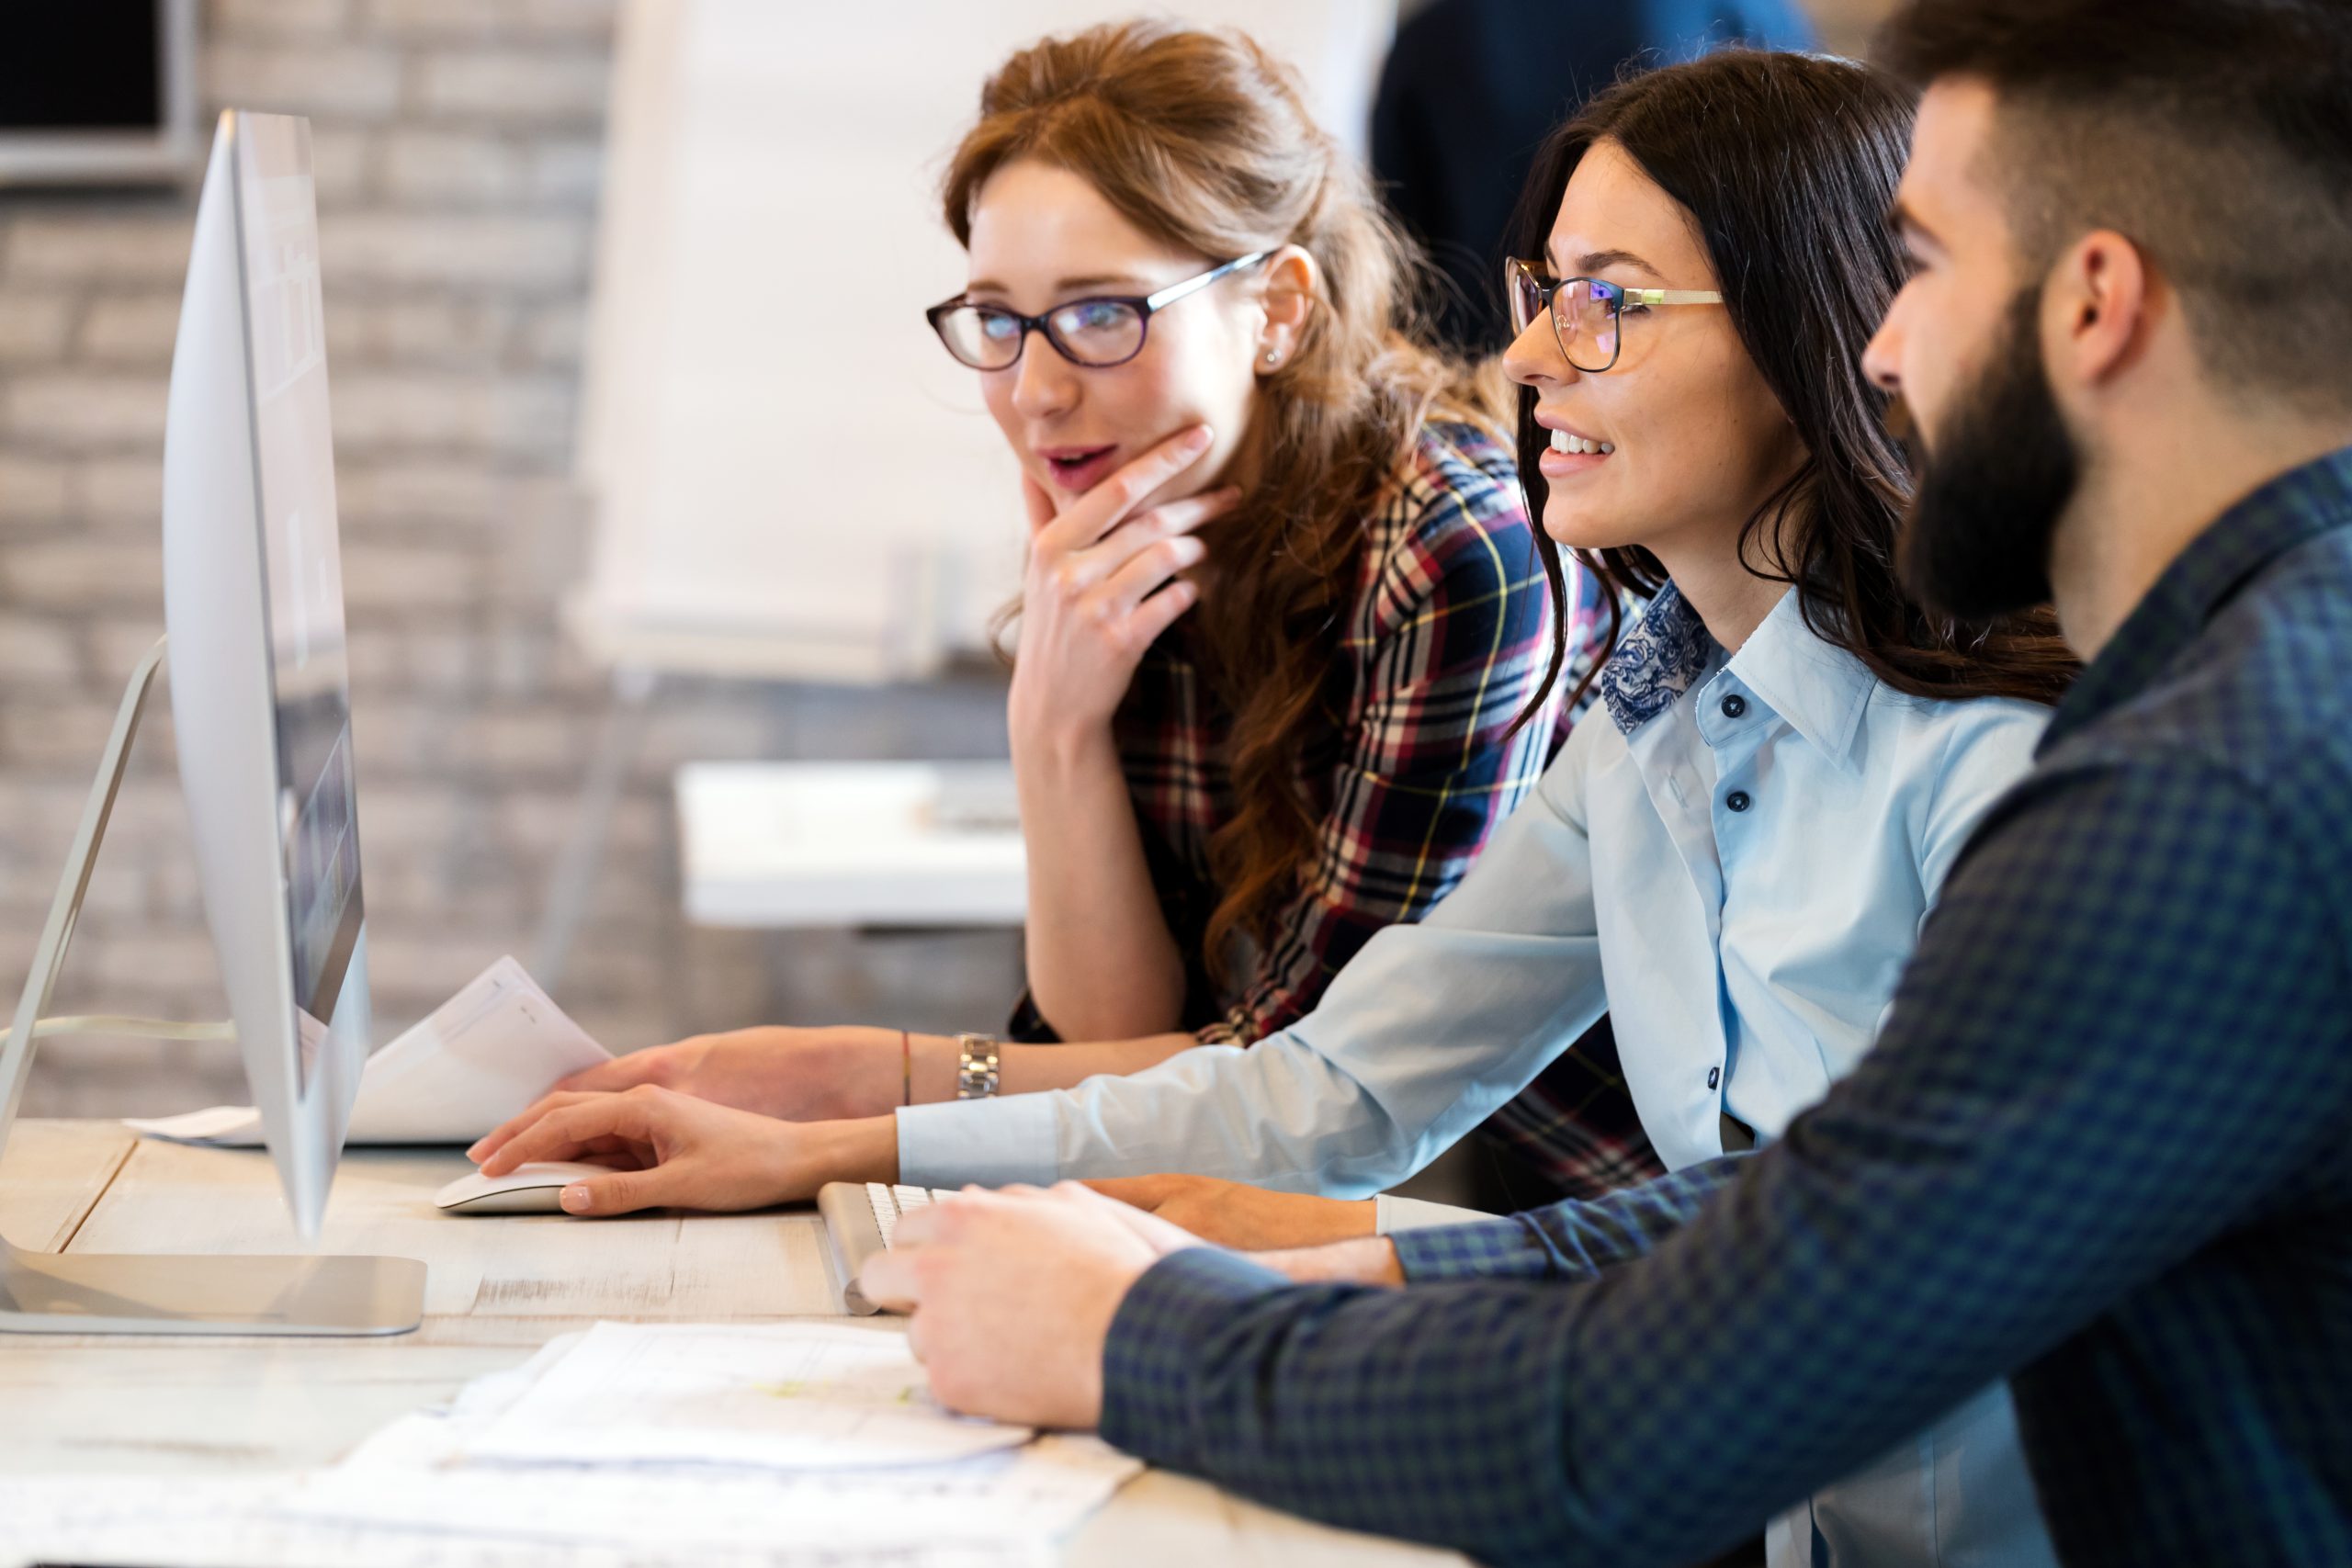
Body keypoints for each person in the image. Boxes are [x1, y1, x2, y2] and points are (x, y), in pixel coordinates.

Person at [473, 48, 2079, 1566]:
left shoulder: (2007, 771)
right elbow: (1325, 1089)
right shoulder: (1651, 717)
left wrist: (1216, 1304)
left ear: (1829, 330)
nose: (1527, 357)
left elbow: (1812, 1227)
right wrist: (837, 1145)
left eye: (1609, 303)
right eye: (1541, 295)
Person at [854, 3, 2352, 1564]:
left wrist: (1137, 1334)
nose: (1887, 346)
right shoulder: (1682, 704)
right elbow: (1805, 1211)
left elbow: (1659, 1405)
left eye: (1922, 269)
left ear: (2097, 300)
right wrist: (877, 1130)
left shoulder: (2195, 790)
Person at [522, 19, 1655, 1195]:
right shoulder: (1144, 530)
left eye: (1104, 313)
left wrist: (847, 1081)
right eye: (999, 320)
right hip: (1308, 1199)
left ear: (1275, 309)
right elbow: (1117, 1043)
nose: (1036, 390)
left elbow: (1313, 1094)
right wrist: (1053, 724)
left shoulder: (1458, 553)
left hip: (1561, 1220)